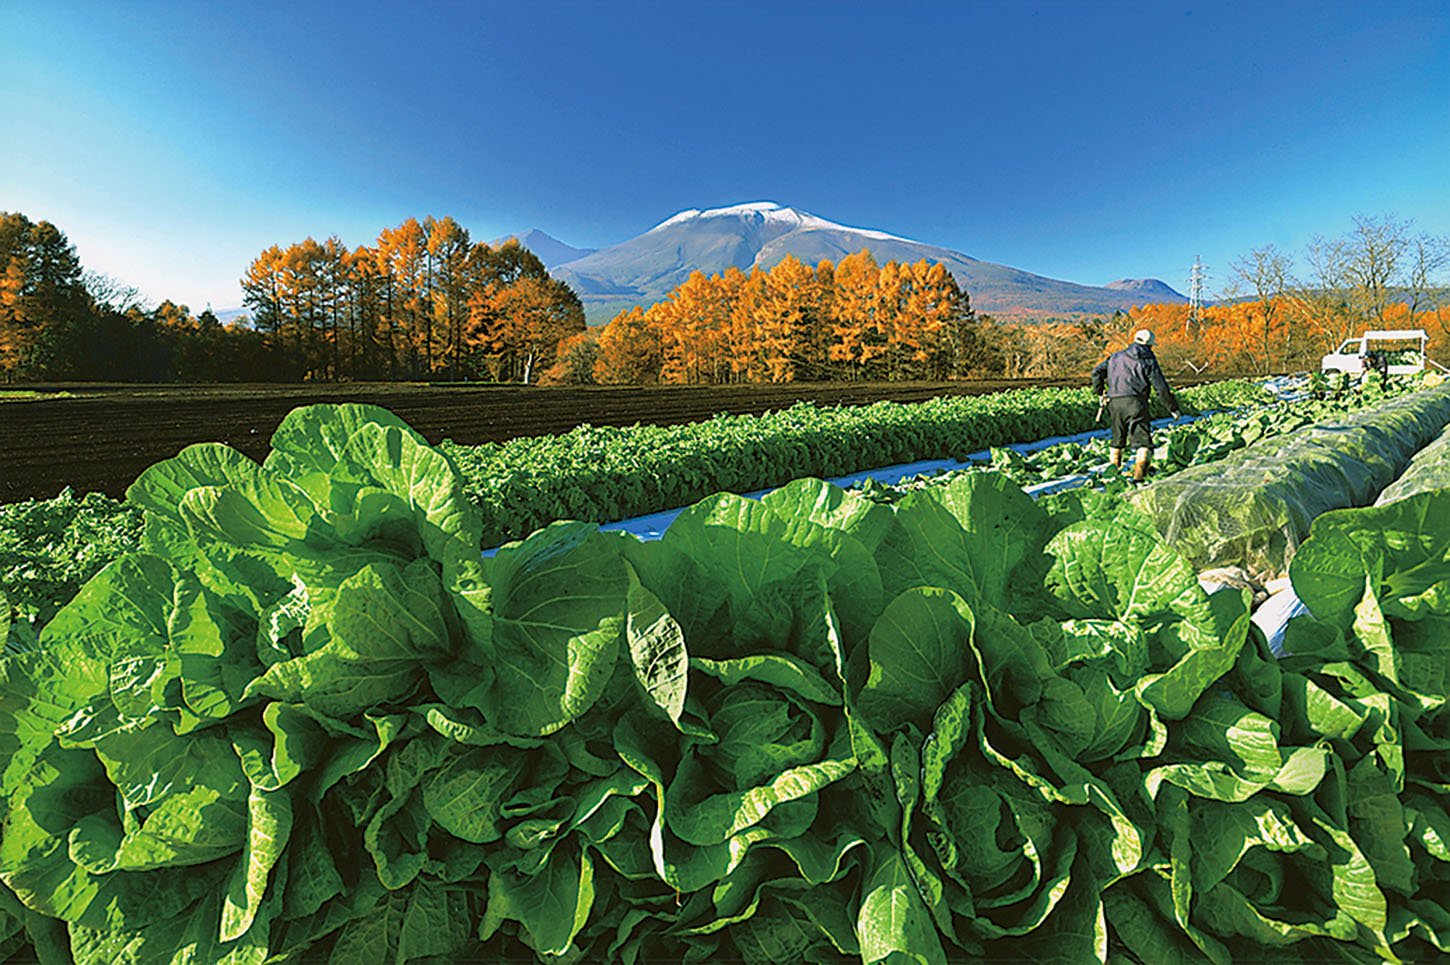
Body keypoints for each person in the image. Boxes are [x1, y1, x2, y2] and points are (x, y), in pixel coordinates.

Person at [1091, 329, 1181, 483]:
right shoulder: (1148, 359)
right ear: (1150, 345)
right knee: (1142, 442)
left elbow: (1096, 372)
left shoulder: (1116, 357)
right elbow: (1161, 387)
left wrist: (1100, 392)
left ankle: (1113, 476)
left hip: (1115, 402)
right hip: (1137, 403)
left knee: (1117, 439)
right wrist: (1172, 408)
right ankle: (1139, 478)